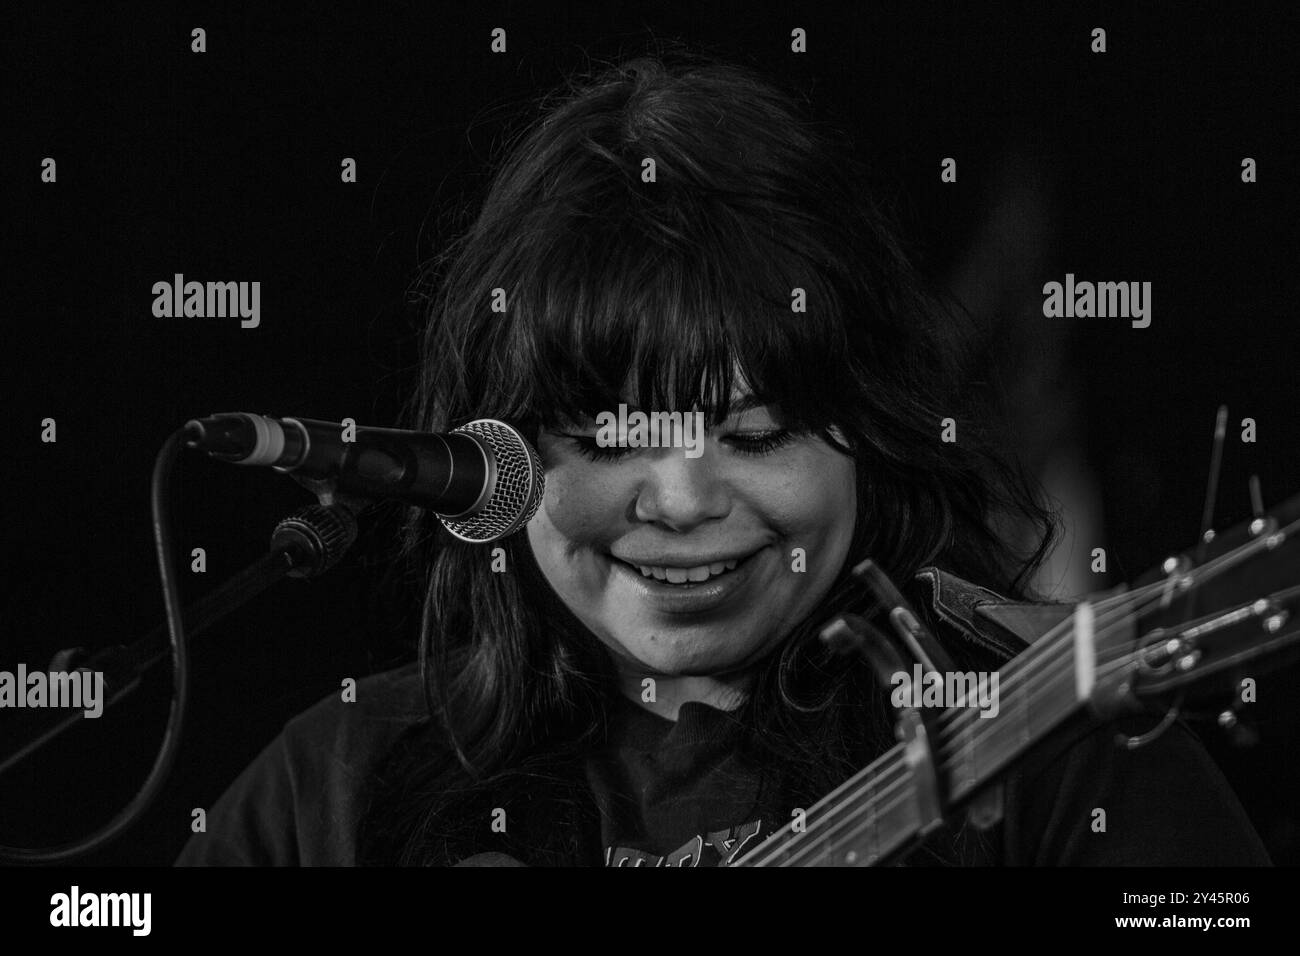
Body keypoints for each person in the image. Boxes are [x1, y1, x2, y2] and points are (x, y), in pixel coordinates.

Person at [176, 48, 1268, 867]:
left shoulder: (1055, 743)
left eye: (755, 433)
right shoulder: (333, 782)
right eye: (607, 437)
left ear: (870, 431)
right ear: (490, 453)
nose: (686, 498)